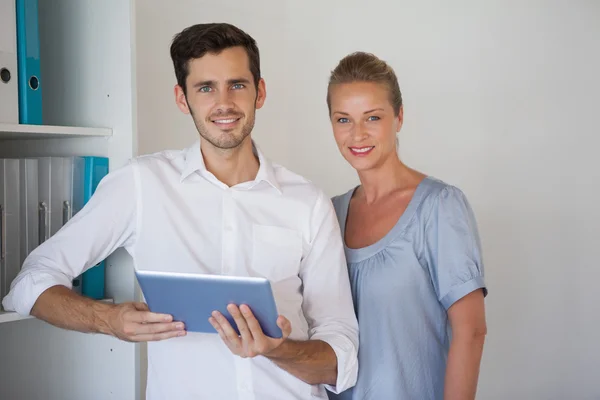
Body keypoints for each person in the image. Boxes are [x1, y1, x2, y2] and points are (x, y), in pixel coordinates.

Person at [2, 23, 359, 400]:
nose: (224, 102)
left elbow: (341, 353)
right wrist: (108, 320)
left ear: (260, 92)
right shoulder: (142, 183)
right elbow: (29, 284)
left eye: (237, 84)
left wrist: (279, 350)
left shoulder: (307, 202)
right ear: (181, 98)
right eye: (205, 88)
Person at [325, 52, 488, 400]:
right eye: (343, 119)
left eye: (372, 117)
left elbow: (471, 331)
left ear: (398, 117)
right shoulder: (327, 214)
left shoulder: (439, 207)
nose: (357, 134)